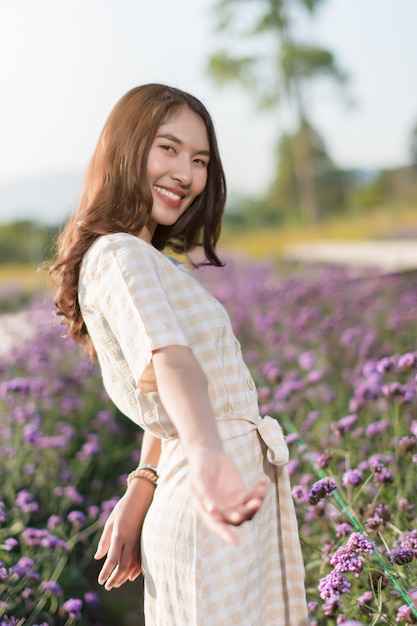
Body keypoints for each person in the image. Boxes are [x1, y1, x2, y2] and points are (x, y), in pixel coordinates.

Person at [50, 84, 308, 625]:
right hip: (208, 488)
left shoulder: (141, 258)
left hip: (204, 483)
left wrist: (142, 485)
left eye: (199, 160)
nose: (187, 175)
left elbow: (159, 389)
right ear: (124, 149)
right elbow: (171, 362)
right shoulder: (121, 254)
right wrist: (208, 455)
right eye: (167, 149)